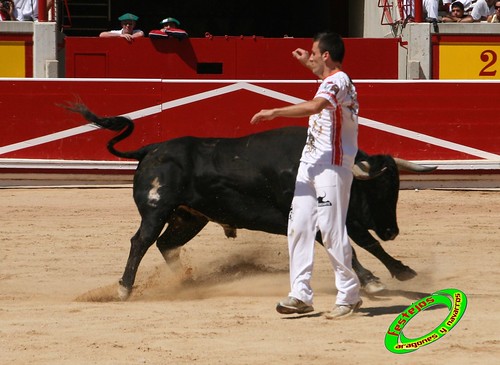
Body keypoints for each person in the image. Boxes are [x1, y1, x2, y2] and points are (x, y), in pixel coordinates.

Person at [250, 32, 362, 319]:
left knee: (330, 229)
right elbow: (321, 83)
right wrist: (305, 64)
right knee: (299, 227)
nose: (309, 56)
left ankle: (349, 294)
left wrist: (274, 111)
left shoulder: (339, 81)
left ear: (326, 55)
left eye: (313, 52)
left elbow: (314, 106)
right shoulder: (331, 80)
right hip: (310, 164)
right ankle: (300, 295)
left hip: (332, 165)